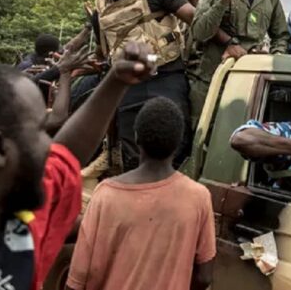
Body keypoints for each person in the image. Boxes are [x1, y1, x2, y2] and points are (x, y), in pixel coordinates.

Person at [0, 43, 154, 290]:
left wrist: (117, 80)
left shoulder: (9, 221)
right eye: (39, 131)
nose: (50, 146)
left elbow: (66, 155)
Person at [67, 97, 215, 290]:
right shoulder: (199, 196)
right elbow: (204, 277)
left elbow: (78, 278)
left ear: (136, 137)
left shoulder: (106, 195)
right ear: (179, 141)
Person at [89, 0, 196, 170]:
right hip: (129, 83)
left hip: (166, 74)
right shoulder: (98, 7)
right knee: (132, 144)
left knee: (177, 136)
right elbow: (103, 46)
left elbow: (194, 18)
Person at [191, 0, 289, 127]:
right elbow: (200, 31)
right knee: (203, 137)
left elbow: (281, 36)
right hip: (213, 82)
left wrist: (273, 61)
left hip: (250, 84)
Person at [172, 0, 208, 130]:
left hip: (202, 81)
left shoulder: (208, 13)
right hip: (183, 78)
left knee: (197, 126)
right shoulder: (178, 15)